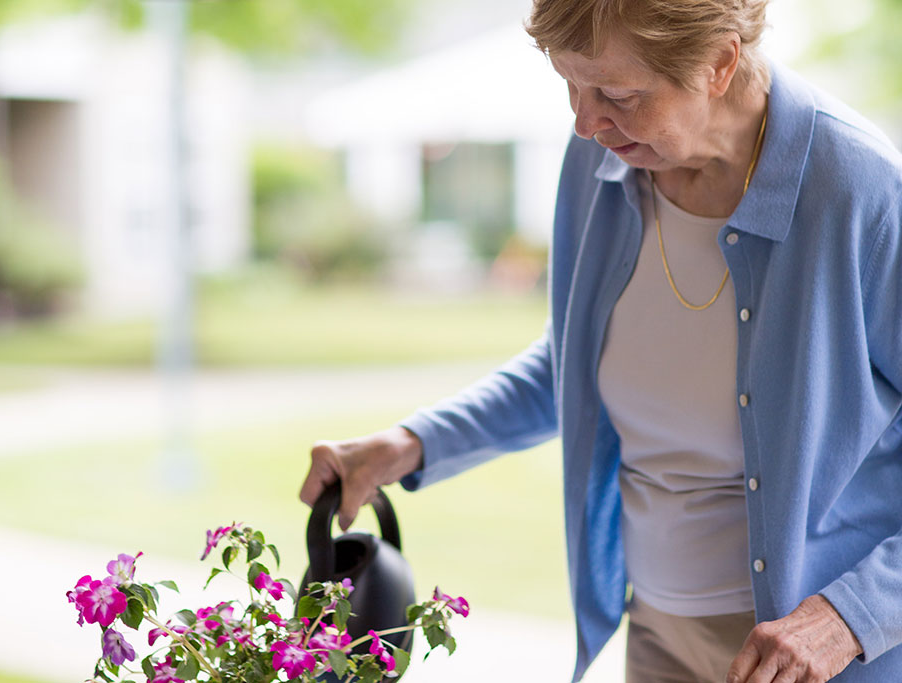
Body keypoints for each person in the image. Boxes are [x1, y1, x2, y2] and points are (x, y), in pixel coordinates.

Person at [299, 0, 902, 680]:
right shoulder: (604, 162)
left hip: (815, 656)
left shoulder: (858, 190)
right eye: (569, 85)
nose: (585, 122)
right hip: (657, 634)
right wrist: (412, 443)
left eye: (618, 94)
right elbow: (579, 359)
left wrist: (850, 616)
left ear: (720, 63)